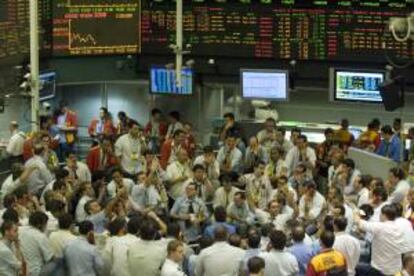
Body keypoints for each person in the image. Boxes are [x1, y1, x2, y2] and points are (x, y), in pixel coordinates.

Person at [354, 204, 405, 275]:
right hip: (395, 269)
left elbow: (358, 222)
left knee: (354, 268)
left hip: (380, 269)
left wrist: (356, 212)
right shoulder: (400, 229)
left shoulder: (380, 227)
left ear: (384, 215)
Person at [19, 211, 54, 276]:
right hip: (37, 271)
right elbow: (49, 258)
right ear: (40, 224)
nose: (46, 226)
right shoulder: (40, 236)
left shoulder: (20, 231)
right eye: (45, 224)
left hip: (22, 269)